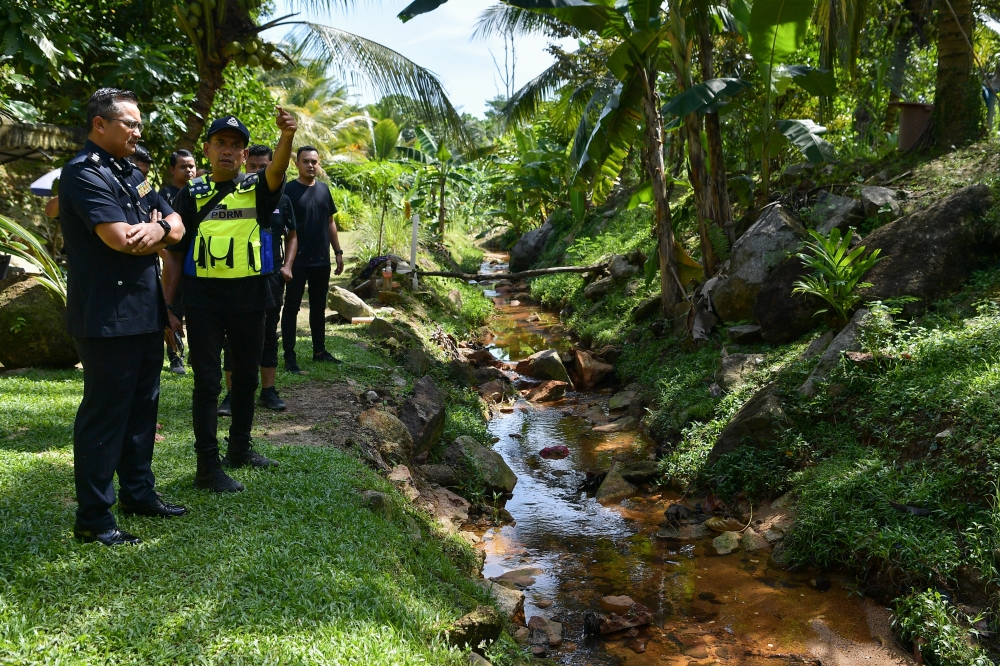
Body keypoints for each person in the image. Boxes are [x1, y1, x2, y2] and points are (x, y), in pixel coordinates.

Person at [59, 88, 187, 546]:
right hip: (107, 314)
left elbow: (177, 226)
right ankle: (94, 519)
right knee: (106, 414)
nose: (138, 131)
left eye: (138, 124)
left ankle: (139, 494)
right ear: (101, 125)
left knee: (142, 409)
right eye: (129, 123)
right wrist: (159, 234)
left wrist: (156, 228)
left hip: (146, 309)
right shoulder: (82, 174)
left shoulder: (133, 174)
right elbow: (118, 239)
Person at [162, 110, 297, 493]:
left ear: (243, 155)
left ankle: (239, 447)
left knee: (246, 376)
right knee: (206, 381)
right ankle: (207, 466)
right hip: (203, 301)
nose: (228, 150)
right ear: (207, 150)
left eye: (235, 145)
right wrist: (169, 306)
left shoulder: (257, 187)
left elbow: (278, 171)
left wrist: (286, 136)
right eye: (220, 143)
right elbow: (174, 254)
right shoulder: (189, 195)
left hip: (251, 298)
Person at [218, 144, 298, 414]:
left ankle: (268, 391)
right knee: (232, 336)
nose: (257, 171)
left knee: (268, 333)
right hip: (237, 277)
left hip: (271, 276)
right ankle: (231, 396)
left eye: (263, 167)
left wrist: (287, 265)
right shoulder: (233, 195)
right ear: (244, 164)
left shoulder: (281, 198)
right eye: (252, 166)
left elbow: (292, 234)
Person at [280, 146, 345, 373]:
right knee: (291, 308)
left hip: (320, 261)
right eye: (306, 161)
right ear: (296, 164)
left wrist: (337, 252)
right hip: (296, 261)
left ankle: (319, 351)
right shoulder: (288, 191)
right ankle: (290, 357)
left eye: (314, 161)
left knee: (318, 307)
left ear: (318, 164)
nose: (310, 165)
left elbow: (330, 222)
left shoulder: (324, 190)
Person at [158, 149, 197, 376]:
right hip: (173, 266)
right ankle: (175, 357)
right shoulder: (164, 196)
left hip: (195, 267)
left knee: (196, 313)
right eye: (183, 166)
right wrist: (170, 258)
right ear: (172, 169)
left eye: (191, 166)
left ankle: (194, 354)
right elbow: (160, 233)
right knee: (173, 311)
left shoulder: (199, 192)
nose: (189, 170)